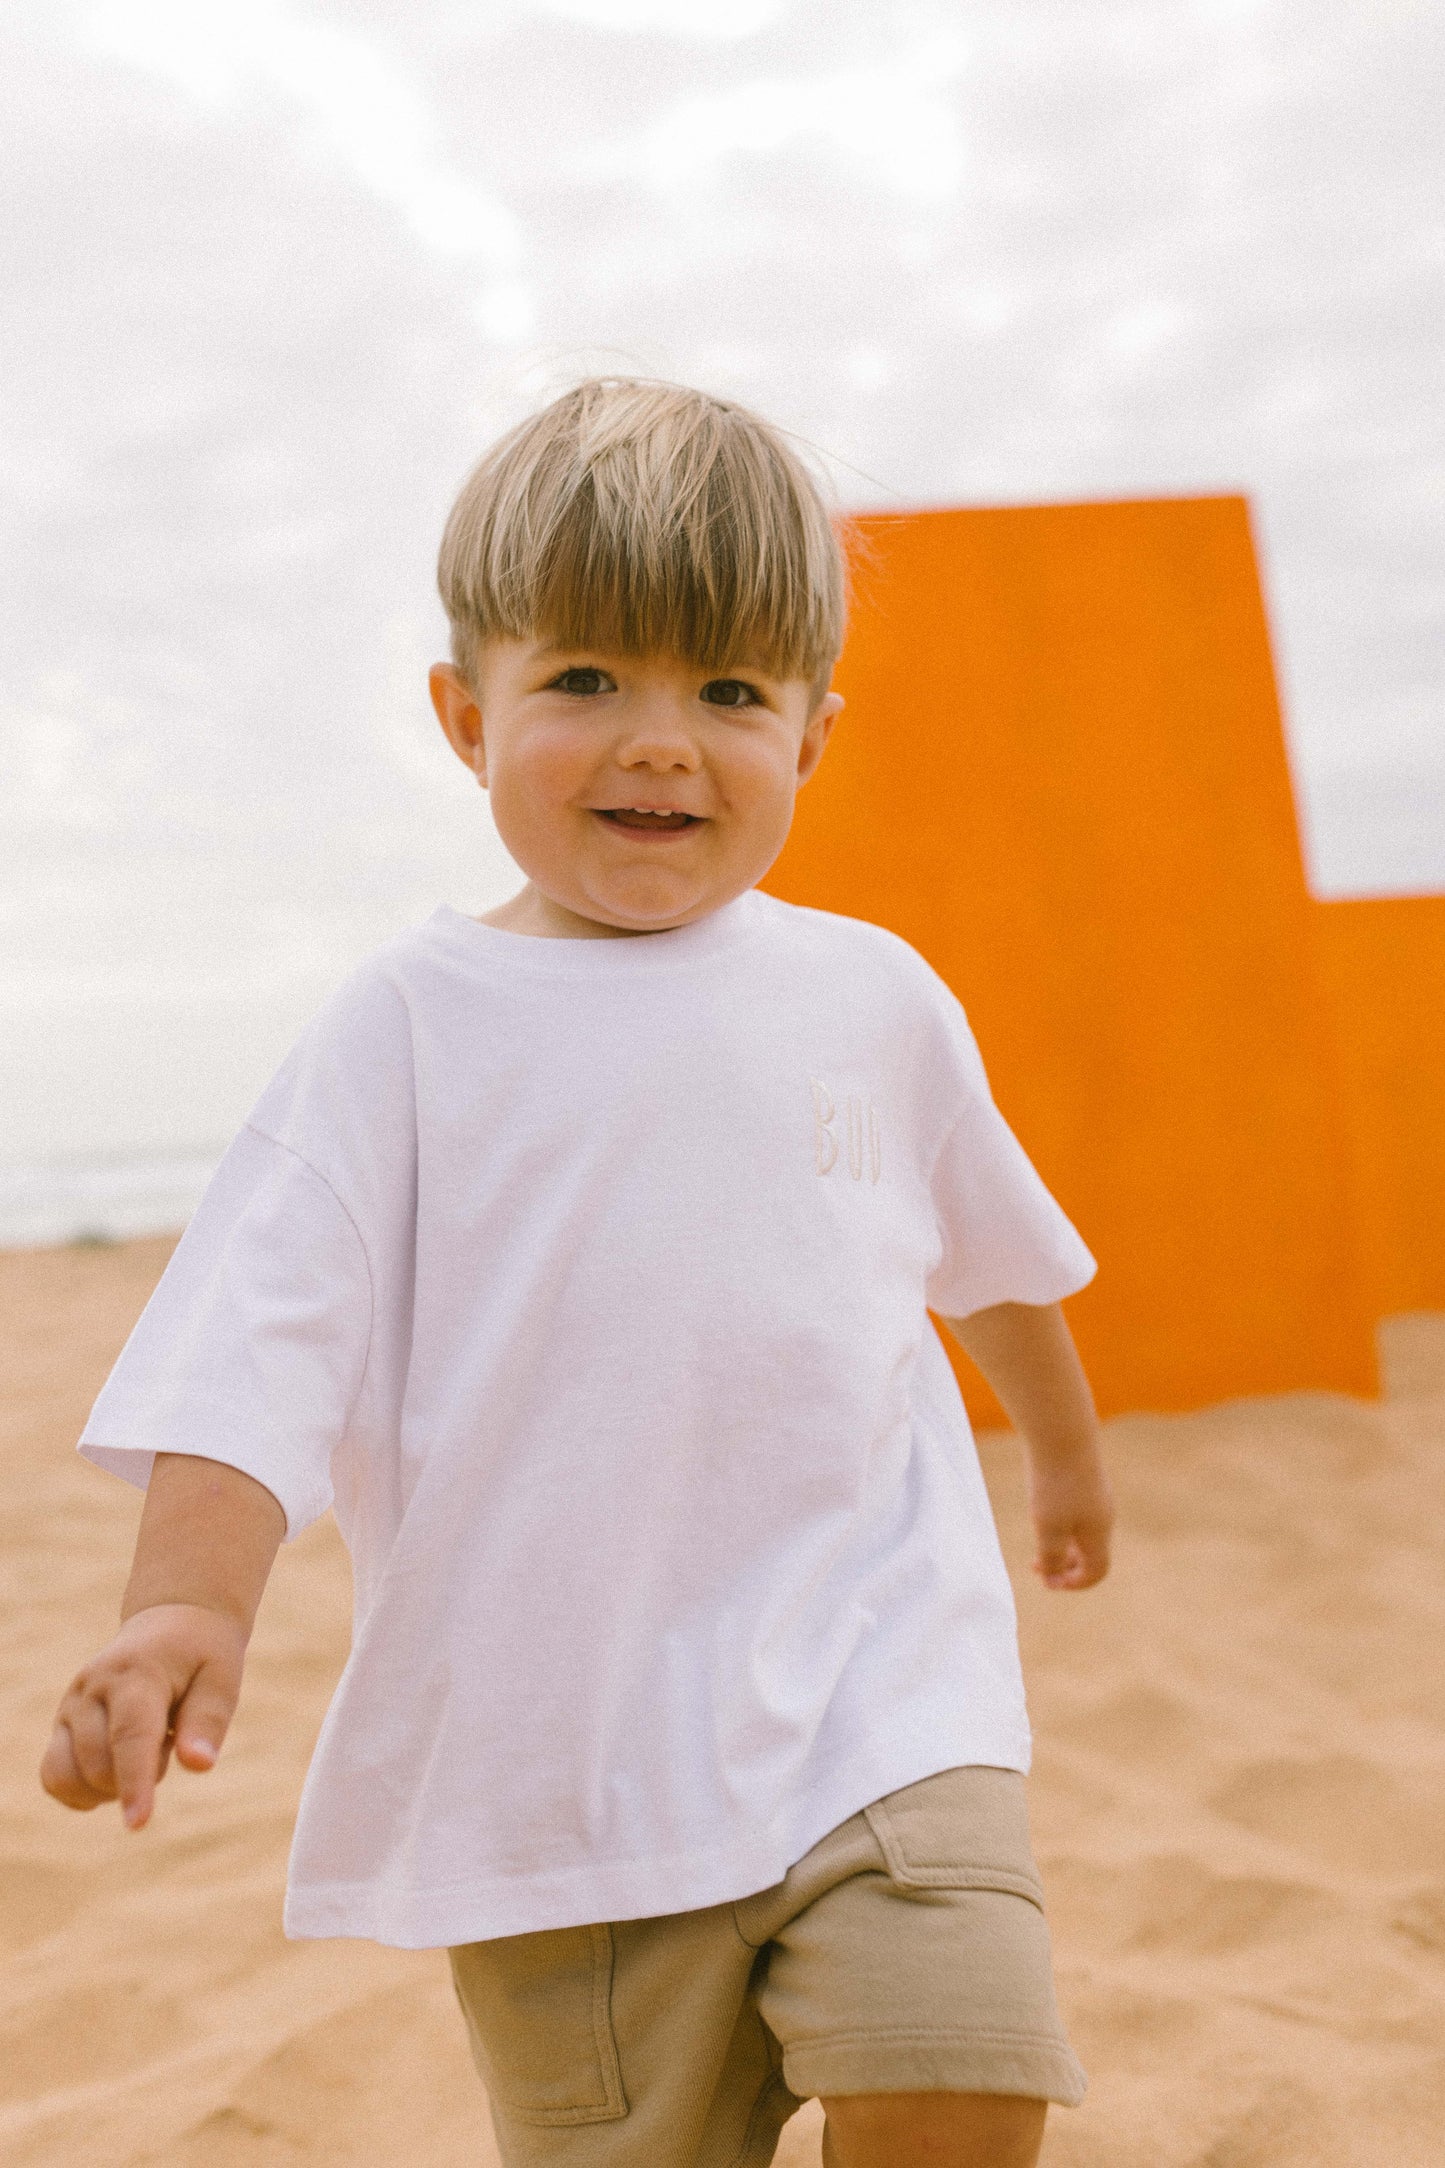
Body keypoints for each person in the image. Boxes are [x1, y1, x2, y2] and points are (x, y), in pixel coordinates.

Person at [41, 378, 1114, 2168]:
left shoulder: (872, 999)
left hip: (881, 1685)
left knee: (965, 2063)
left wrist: (1062, 1449)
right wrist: (190, 1608)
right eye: (586, 681)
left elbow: (985, 1253)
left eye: (728, 693)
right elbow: (256, 1347)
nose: (661, 742)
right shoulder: (405, 1031)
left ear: (813, 735)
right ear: (466, 716)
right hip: (564, 1761)